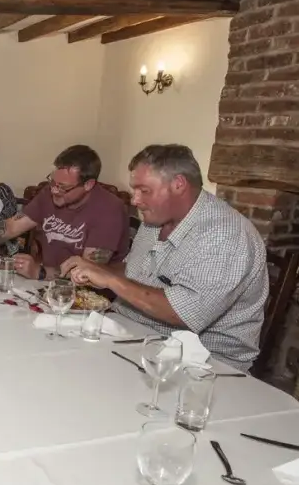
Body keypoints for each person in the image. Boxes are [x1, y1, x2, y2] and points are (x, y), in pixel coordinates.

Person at [63, 145, 268, 371]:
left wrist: (111, 280)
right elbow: (133, 272)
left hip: (204, 365)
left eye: (144, 191)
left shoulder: (225, 235)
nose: (135, 200)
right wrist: (96, 271)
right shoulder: (156, 219)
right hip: (134, 335)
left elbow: (184, 313)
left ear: (178, 184)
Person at [0, 145, 129, 279]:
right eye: (53, 182)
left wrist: (40, 272)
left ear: (88, 185)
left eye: (63, 187)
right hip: (50, 284)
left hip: (90, 297)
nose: (54, 190)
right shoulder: (50, 193)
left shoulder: (109, 209)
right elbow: (12, 227)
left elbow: (88, 273)